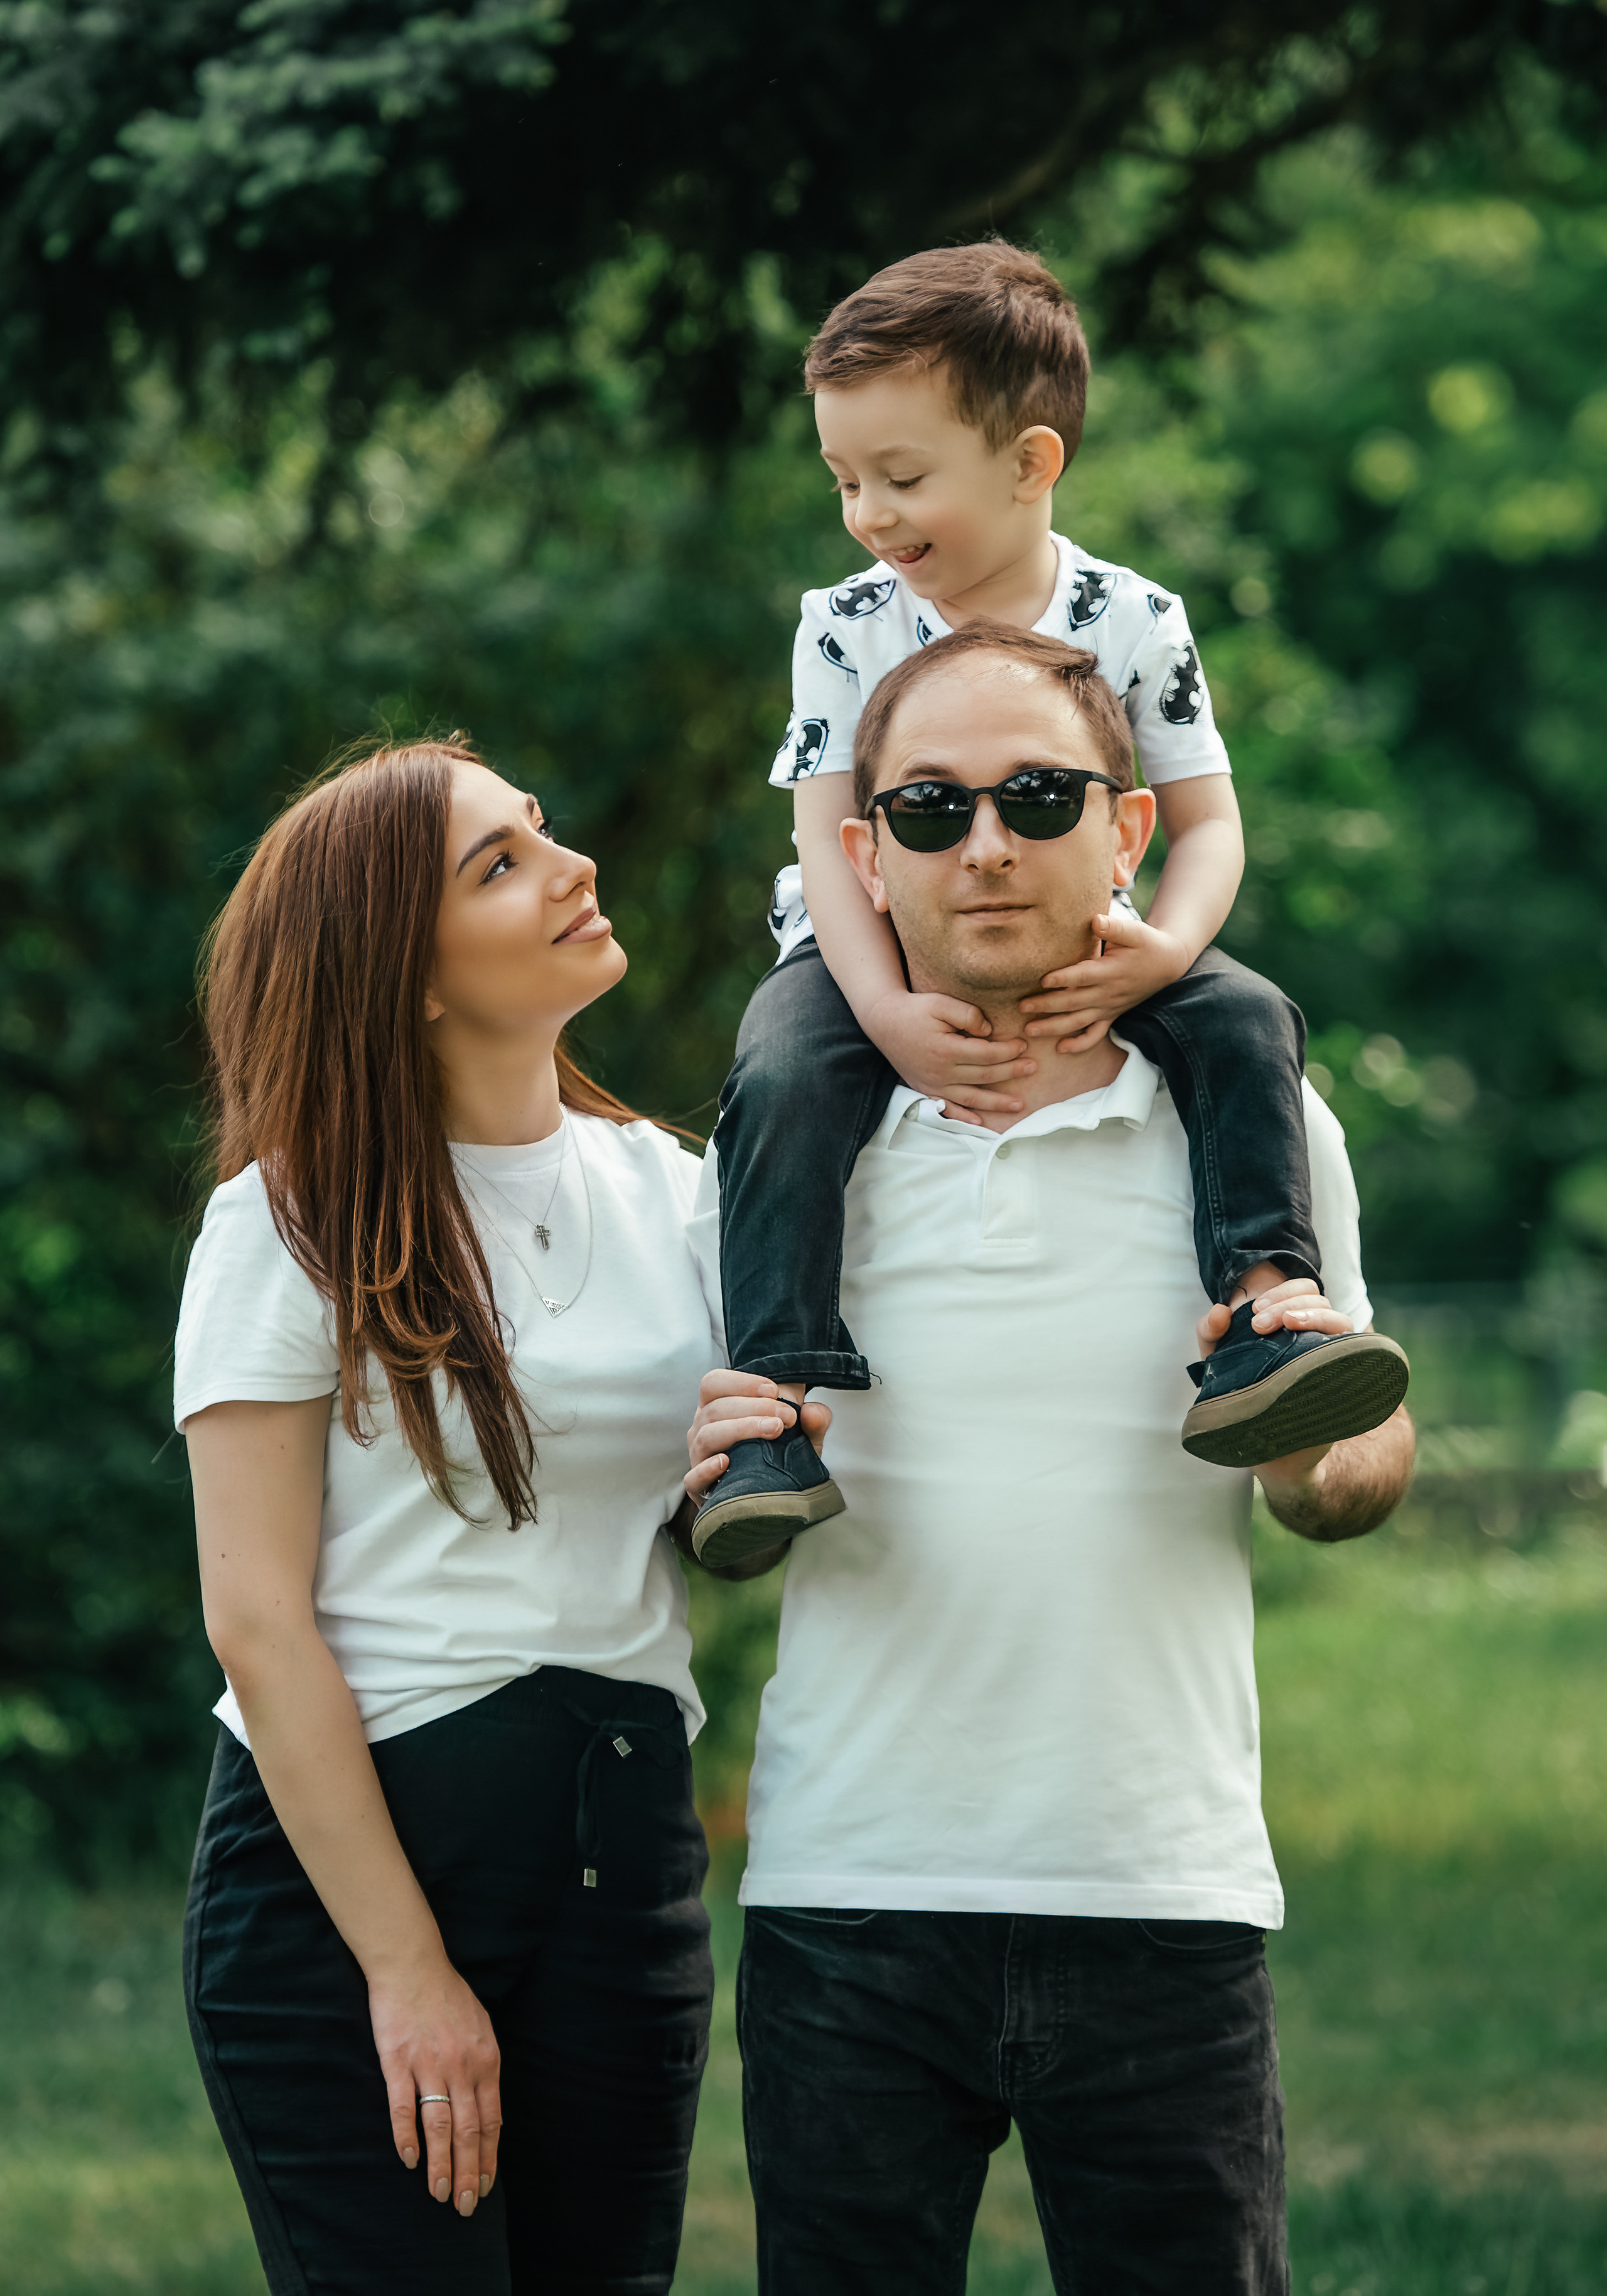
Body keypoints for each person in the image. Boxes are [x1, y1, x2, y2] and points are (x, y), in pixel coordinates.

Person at [684, 628, 1417, 2293]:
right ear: (861, 855)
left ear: (1131, 829)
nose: (989, 846)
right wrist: (699, 1477)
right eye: (932, 810)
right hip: (848, 1893)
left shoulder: (1262, 1127)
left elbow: (1362, 1451)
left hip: (1160, 1883)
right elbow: (679, 1502)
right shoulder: (777, 1146)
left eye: (1036, 796)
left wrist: (1319, 1461)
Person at [694, 240, 1407, 1565]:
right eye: (844, 479)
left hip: (1099, 936)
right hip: (858, 943)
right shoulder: (846, 623)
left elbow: (1203, 823)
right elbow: (826, 840)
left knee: (1248, 1018)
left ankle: (1263, 1317)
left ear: (1029, 464)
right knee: (785, 1072)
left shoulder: (1130, 617)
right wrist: (886, 1012)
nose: (867, 514)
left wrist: (1164, 952)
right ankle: (774, 1411)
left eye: (901, 479)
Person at [175, 738, 723, 2295]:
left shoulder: (675, 1191)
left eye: (541, 831)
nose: (571, 869)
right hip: (351, 1900)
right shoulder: (287, 1220)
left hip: (624, 1862)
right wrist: (406, 1971)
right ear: (402, 975)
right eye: (498, 865)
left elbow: (711, 1512)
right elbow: (256, 1618)